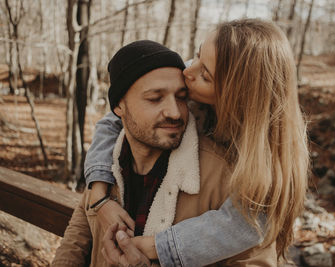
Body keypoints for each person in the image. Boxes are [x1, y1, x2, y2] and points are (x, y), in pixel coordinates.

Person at [86, 19, 309, 267]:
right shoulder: (190, 84)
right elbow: (114, 121)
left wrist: (156, 246)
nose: (187, 71)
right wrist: (99, 192)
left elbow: (245, 226)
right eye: (197, 55)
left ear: (237, 96)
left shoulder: (262, 160)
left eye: (205, 75)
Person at [52, 39, 277, 267]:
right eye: (155, 98)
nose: (175, 113)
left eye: (181, 97)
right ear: (119, 107)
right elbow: (79, 234)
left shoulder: (228, 177)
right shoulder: (106, 164)